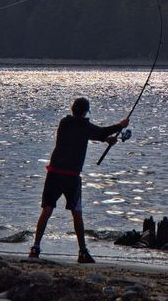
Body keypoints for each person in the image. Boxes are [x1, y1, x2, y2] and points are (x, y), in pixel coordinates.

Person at [29, 97, 129, 262]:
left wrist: (105, 139)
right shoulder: (83, 125)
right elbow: (98, 131)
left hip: (54, 173)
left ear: (72, 109)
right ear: (85, 112)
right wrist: (120, 125)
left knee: (47, 210)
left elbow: (89, 134)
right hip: (71, 177)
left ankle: (35, 248)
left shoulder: (64, 123)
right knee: (77, 213)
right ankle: (82, 252)